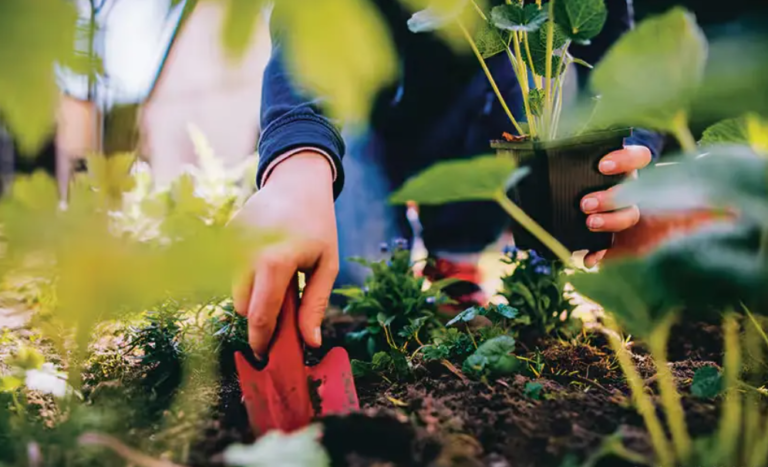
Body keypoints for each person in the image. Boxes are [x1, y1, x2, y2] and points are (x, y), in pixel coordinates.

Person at [232, 0, 664, 358]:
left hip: (472, 124)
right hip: (356, 126)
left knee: (544, 56)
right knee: (360, 289)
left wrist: (629, 152)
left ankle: (455, 258)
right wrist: (299, 163)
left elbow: (623, 58)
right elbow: (308, 28)